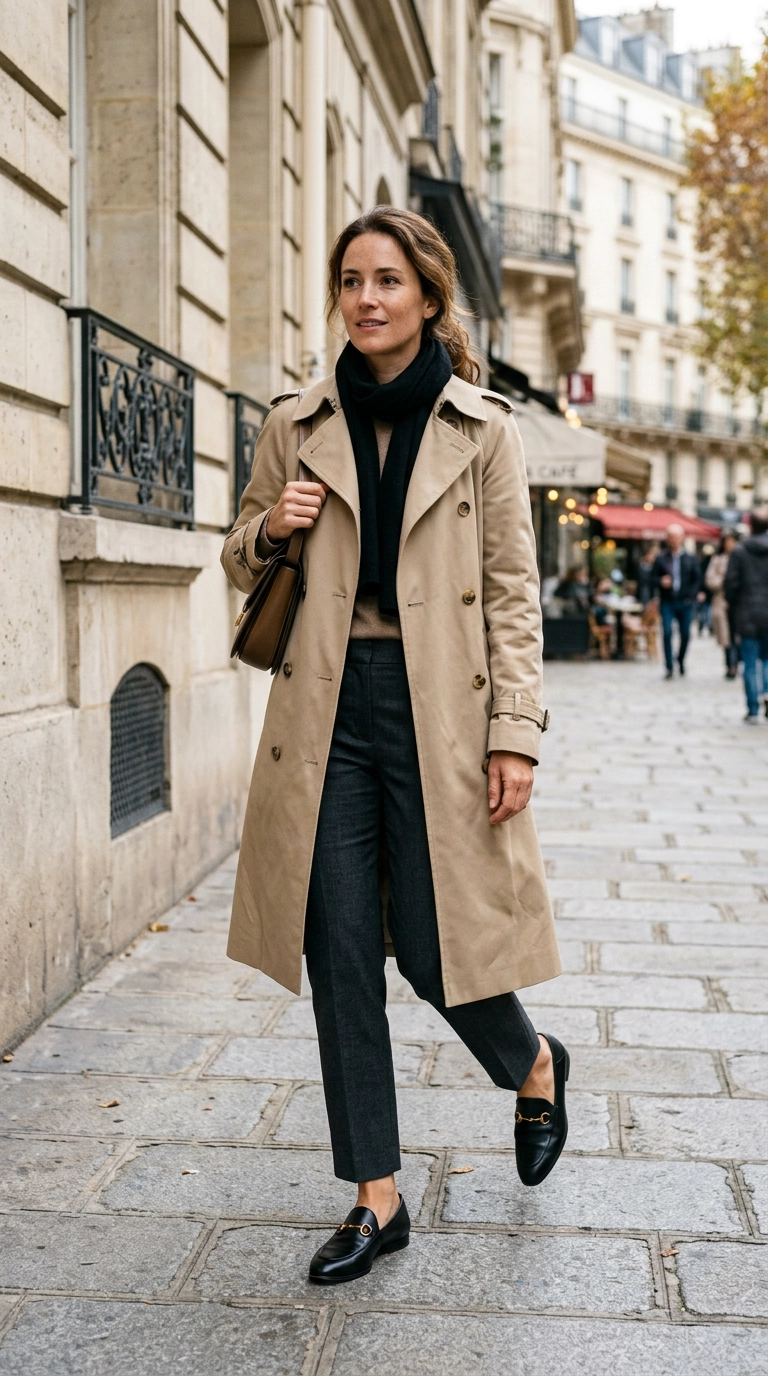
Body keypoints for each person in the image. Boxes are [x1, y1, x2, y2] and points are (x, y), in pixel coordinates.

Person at [221, 206, 567, 1285]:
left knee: (431, 941)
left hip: (442, 711)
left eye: (387, 280)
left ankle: (534, 1062)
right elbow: (237, 556)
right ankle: (377, 1193)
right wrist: (271, 526)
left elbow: (512, 594)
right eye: (350, 280)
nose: (366, 299)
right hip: (326, 708)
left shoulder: (483, 429)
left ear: (427, 296)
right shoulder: (296, 421)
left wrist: (515, 734)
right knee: (337, 948)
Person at [724, 507, 768, 722]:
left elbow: (730, 585)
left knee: (749, 663)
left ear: (750, 526)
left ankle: (752, 709)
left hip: (747, 613)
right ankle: (767, 693)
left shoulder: (740, 551)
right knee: (767, 660)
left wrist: (734, 606)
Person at [651, 524, 703, 678]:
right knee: (667, 632)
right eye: (671, 537)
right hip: (667, 601)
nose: (674, 540)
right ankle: (669, 666)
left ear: (682, 538)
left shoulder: (690, 558)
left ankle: (680, 659)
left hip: (685, 601)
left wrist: (692, 595)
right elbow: (651, 578)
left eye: (676, 537)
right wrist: (660, 581)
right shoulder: (661, 558)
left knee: (685, 634)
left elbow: (697, 579)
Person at [705, 532, 740, 678]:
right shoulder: (717, 559)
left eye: (732, 541)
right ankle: (730, 665)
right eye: (727, 542)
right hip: (721, 600)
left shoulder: (742, 558)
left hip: (739, 602)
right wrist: (724, 581)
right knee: (726, 636)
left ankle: (736, 663)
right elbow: (709, 579)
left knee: (737, 635)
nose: (729, 545)